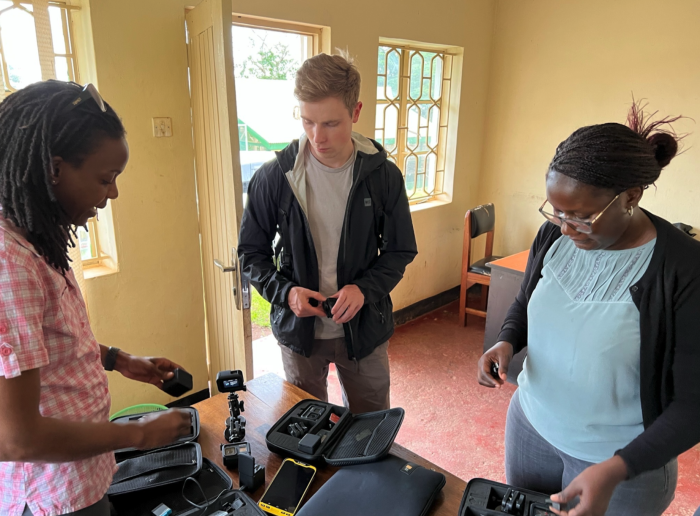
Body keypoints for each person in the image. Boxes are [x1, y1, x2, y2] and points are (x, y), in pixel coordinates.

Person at [477, 102, 700, 516]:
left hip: (620, 462)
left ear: (630, 197)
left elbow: (693, 405)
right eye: (556, 211)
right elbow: (526, 300)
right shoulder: (552, 237)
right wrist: (507, 340)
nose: (564, 226)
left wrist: (617, 469)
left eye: (581, 216)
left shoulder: (683, 270)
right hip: (531, 428)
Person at [0, 81, 193, 516]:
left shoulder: (36, 239)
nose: (113, 194)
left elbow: (43, 344)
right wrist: (139, 434)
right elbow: (17, 438)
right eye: (105, 179)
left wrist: (119, 359)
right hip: (52, 495)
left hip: (81, 477)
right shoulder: (8, 264)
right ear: (53, 168)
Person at [239, 52, 417, 413]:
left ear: (356, 112)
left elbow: (400, 251)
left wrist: (364, 290)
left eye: (331, 123)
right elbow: (250, 255)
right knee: (305, 436)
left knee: (370, 432)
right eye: (307, 121)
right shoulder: (274, 178)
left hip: (364, 333)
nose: (317, 137)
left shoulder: (384, 176)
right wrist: (286, 294)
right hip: (300, 337)